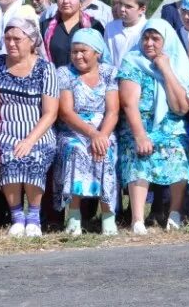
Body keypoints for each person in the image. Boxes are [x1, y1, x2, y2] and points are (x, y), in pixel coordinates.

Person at [118, 20, 189, 234]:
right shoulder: (132, 61)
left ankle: (175, 213)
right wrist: (141, 135)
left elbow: (181, 108)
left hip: (170, 125)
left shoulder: (178, 64)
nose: (149, 43)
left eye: (155, 39)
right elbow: (128, 103)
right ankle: (137, 219)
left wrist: (166, 70)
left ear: (166, 41)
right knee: (139, 155)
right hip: (138, 125)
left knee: (178, 152)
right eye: (145, 37)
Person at [0, 16, 59, 237]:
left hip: (38, 131)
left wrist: (30, 140)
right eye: (7, 38)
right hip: (3, 131)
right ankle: (17, 216)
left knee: (34, 156)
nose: (11, 43)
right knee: (10, 155)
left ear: (31, 41)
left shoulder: (45, 69)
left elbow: (50, 113)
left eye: (17, 39)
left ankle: (34, 217)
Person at [54, 28, 119, 236]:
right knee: (75, 150)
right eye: (74, 51)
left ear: (97, 52)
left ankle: (108, 216)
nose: (78, 56)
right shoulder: (64, 73)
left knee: (106, 152)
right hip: (74, 130)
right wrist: (92, 134)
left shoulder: (109, 72)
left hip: (104, 130)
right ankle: (73, 216)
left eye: (83, 51)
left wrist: (102, 136)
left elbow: (113, 111)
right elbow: (66, 112)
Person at [42, 0, 105, 68]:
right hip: (53, 80)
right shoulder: (45, 26)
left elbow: (102, 58)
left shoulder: (94, 26)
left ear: (81, 0)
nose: (66, 1)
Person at [104, 0, 149, 65]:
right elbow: (106, 58)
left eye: (128, 6)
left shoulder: (148, 30)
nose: (122, 9)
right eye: (120, 4)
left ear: (142, 9)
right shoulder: (110, 28)